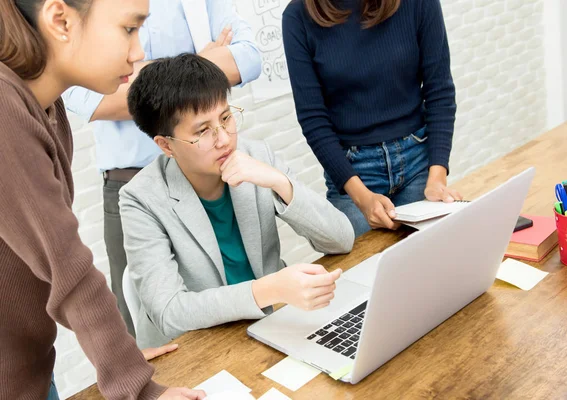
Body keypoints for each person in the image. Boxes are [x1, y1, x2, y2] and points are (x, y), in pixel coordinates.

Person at [0, 0, 205, 398]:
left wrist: (124, 361)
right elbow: (68, 267)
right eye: (129, 29)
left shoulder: (44, 105)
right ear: (61, 20)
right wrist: (137, 384)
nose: (139, 51)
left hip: (30, 371)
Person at [120, 54, 355, 348]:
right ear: (166, 145)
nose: (224, 139)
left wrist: (279, 182)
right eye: (203, 130)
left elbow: (341, 240)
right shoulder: (140, 198)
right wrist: (268, 290)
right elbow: (169, 313)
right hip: (198, 348)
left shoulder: (256, 155)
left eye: (226, 117)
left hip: (271, 326)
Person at [63, 0, 261, 336]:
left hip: (209, 173)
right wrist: (198, 65)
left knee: (238, 304)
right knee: (148, 329)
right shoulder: (83, 6)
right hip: (129, 183)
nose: (134, 47)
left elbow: (249, 59)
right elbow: (90, 99)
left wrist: (137, 75)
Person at [282, 0, 463, 237]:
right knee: (365, 269)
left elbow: (439, 91)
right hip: (352, 174)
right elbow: (313, 120)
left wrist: (437, 177)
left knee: (431, 264)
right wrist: (362, 197)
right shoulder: (297, 17)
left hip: (418, 163)